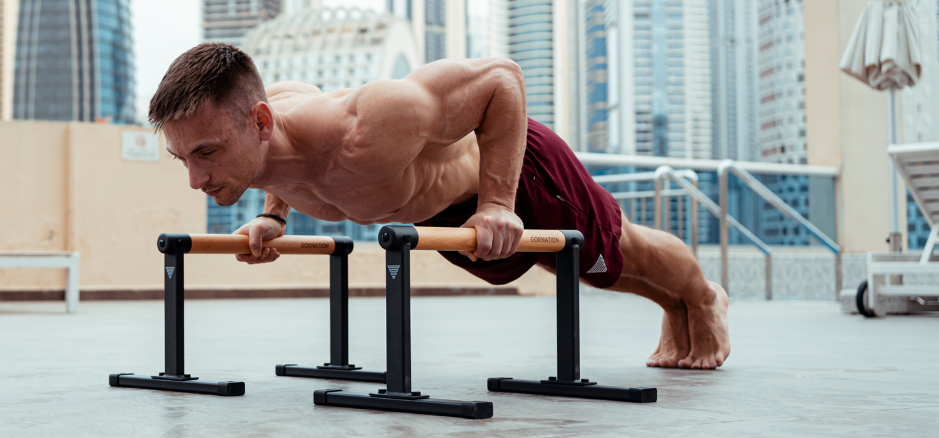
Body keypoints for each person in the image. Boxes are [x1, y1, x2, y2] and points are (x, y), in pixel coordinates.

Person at [148, 43, 729, 369]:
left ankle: (702, 298)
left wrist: (500, 201)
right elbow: (287, 168)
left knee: (615, 253)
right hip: (444, 215)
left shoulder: (372, 122)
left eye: (207, 154)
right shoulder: (260, 143)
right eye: (184, 160)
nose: (197, 179)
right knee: (577, 269)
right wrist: (274, 216)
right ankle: (673, 310)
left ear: (261, 122)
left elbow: (503, 78)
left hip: (511, 170)